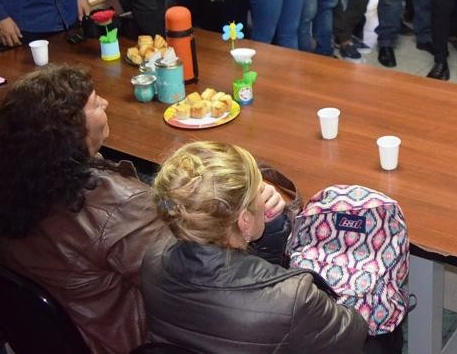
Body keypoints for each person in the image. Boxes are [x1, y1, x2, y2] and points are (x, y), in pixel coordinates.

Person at [0, 65, 169, 353]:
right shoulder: (120, 204)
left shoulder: (4, 180)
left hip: (48, 337)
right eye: (95, 103)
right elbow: (181, 283)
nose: (105, 103)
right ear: (69, 131)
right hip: (127, 342)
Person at [142, 141, 368, 352]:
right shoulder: (293, 299)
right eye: (257, 192)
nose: (264, 194)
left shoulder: (154, 257)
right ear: (244, 220)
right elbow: (354, 332)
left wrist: (270, 227)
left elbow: (248, 280)